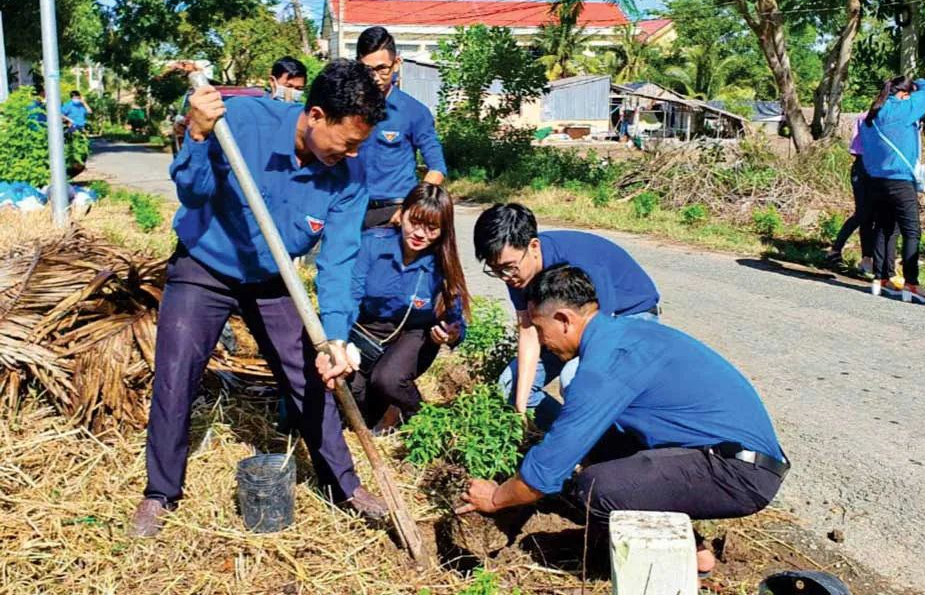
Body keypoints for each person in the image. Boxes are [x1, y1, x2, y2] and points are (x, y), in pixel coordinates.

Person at [130, 60, 387, 538]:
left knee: (312, 378)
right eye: (347, 140)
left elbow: (339, 261)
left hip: (275, 279)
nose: (352, 152)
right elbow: (193, 193)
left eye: (360, 144)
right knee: (174, 374)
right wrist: (199, 137)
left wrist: (333, 337)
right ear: (314, 115)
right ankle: (160, 493)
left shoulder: (348, 178)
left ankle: (345, 485)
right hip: (205, 265)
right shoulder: (240, 122)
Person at [457, 265, 789, 579]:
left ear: (564, 319)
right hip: (727, 457)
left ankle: (665, 574)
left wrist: (495, 497)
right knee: (601, 443)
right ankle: (694, 548)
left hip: (740, 474)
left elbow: (544, 475)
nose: (541, 341)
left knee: (597, 489)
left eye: (540, 329)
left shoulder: (605, 366)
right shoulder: (622, 333)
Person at [473, 204, 660, 429]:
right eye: (496, 270)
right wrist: (520, 408)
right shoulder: (518, 274)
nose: (505, 277)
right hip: (569, 328)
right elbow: (528, 332)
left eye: (508, 268)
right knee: (509, 387)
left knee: (575, 379)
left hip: (626, 317)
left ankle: (604, 446)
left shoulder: (578, 261)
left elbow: (602, 331)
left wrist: (573, 361)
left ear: (533, 246)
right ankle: (572, 439)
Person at [348, 183, 470, 432]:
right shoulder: (371, 244)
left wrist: (452, 334)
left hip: (412, 335)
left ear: (443, 231)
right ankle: (391, 409)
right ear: (400, 214)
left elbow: (456, 320)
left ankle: (423, 420)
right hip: (367, 332)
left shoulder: (442, 266)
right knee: (355, 392)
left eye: (432, 228)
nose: (420, 234)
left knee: (388, 380)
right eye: (414, 221)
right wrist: (341, 340)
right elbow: (349, 296)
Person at [859, 77, 925, 303]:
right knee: (912, 231)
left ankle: (881, 279)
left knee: (884, 227)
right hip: (900, 181)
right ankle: (911, 283)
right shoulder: (901, 108)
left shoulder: (873, 115)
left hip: (876, 180)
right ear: (904, 94)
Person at [355, 26, 447, 229]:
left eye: (382, 69)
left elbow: (437, 168)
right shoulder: (346, 108)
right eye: (367, 70)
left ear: (396, 64)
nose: (375, 78)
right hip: (350, 210)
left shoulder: (415, 112)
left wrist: (412, 208)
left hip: (394, 213)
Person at [826, 112, 878, 276]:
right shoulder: (865, 118)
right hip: (864, 169)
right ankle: (836, 249)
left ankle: (867, 259)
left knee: (872, 215)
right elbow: (855, 149)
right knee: (863, 214)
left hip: (877, 170)